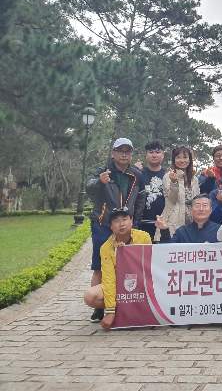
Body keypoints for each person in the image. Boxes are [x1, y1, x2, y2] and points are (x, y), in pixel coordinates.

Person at [85, 137, 145, 323]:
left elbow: (141, 199)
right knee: (99, 267)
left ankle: (128, 304)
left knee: (129, 266)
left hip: (127, 225)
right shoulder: (103, 171)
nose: (124, 154)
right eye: (120, 151)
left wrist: (135, 222)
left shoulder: (137, 174)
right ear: (113, 153)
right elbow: (89, 188)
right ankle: (99, 308)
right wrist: (99, 181)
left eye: (127, 151)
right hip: (103, 224)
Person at [83, 207, 152, 329]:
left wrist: (128, 252)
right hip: (119, 286)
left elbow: (149, 266)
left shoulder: (144, 237)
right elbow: (109, 279)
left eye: (124, 219)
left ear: (131, 221)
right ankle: (119, 310)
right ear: (111, 226)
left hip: (142, 283)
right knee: (90, 296)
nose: (121, 224)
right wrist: (110, 311)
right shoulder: (106, 248)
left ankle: (143, 310)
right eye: (116, 221)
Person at [159, 146, 201, 241]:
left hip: (191, 222)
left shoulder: (194, 179)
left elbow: (197, 200)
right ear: (174, 160)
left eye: (185, 157)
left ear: (190, 160)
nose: (182, 160)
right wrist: (174, 183)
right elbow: (172, 199)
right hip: (172, 221)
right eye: (178, 157)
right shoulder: (168, 177)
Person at [138, 141, 166, 240]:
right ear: (146, 155)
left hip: (163, 224)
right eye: (151, 152)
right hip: (141, 224)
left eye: (157, 152)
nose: (154, 155)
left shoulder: (168, 175)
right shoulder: (138, 174)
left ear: (163, 155)